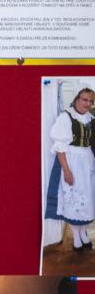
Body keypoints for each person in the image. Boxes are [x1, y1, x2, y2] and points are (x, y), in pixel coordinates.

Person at [46, 88, 95, 248]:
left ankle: (83, 233)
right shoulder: (65, 117)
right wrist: (66, 171)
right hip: (72, 161)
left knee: (88, 200)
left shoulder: (91, 119)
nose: (87, 104)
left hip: (87, 162)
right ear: (76, 99)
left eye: (91, 101)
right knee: (74, 200)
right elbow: (60, 147)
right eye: (84, 99)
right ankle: (76, 237)